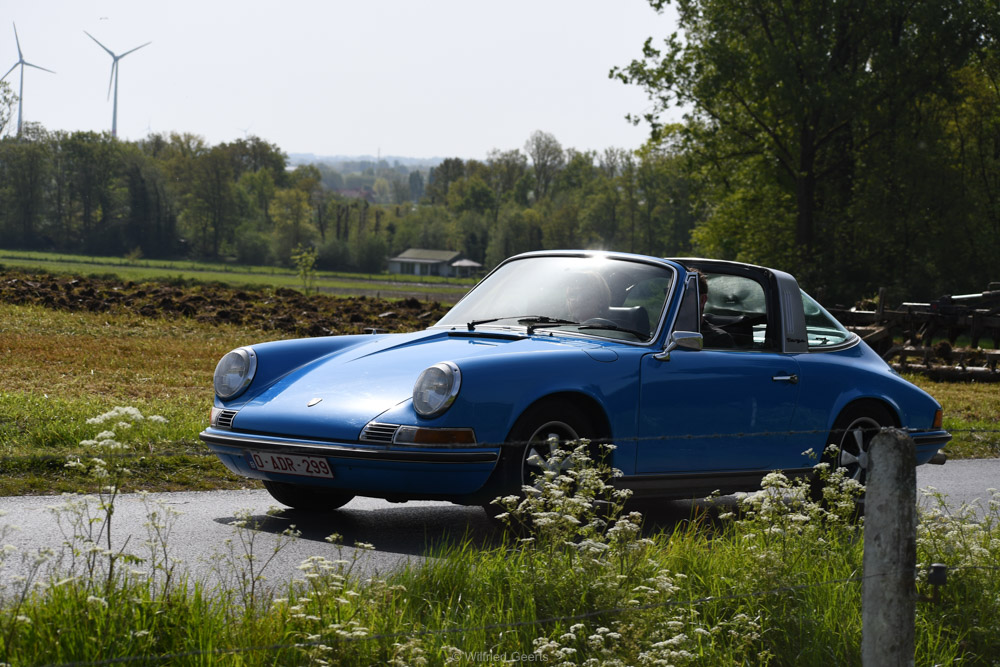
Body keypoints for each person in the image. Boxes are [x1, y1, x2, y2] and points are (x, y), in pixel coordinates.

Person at [696, 271, 735, 348]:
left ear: (702, 300)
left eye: (685, 293)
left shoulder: (720, 340)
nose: (675, 297)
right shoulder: (665, 332)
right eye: (668, 291)